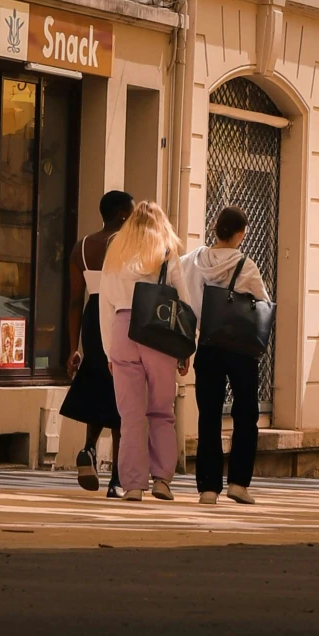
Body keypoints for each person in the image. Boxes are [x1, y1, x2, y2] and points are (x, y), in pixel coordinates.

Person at [98, 199, 190, 502]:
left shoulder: (116, 254)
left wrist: (108, 350)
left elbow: (105, 304)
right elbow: (185, 304)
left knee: (131, 415)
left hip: (123, 328)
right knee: (162, 410)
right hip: (158, 331)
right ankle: (162, 479)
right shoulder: (166, 255)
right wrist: (187, 349)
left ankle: (134, 484)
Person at [181, 205, 271, 507]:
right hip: (241, 349)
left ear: (214, 227)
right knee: (245, 415)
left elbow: (184, 297)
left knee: (209, 415)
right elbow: (263, 302)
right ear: (241, 234)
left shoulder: (194, 260)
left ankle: (208, 487)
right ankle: (238, 483)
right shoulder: (244, 264)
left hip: (207, 344)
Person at [62, 189, 132, 495]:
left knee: (96, 382)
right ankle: (117, 476)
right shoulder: (127, 246)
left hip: (92, 317)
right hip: (119, 316)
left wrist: (73, 347)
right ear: (122, 215)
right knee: (121, 394)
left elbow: (75, 300)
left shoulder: (83, 246)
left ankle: (89, 448)